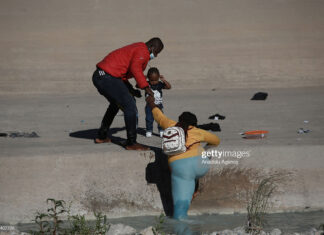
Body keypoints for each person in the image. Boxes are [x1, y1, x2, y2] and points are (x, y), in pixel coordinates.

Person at [146, 96, 220, 220]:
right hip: (201, 165)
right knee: (204, 154)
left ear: (179, 121)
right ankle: (193, 188)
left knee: (180, 212)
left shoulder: (171, 125)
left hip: (181, 168)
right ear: (194, 124)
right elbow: (216, 141)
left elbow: (159, 116)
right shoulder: (198, 131)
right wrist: (205, 148)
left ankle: (182, 227)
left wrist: (152, 104)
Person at [92, 38, 164, 150]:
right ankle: (131, 143)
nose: (156, 55)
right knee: (129, 105)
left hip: (101, 76)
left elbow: (121, 76)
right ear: (152, 47)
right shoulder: (143, 51)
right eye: (156, 52)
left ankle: (102, 136)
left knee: (115, 104)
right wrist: (146, 88)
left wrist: (132, 90)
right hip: (106, 77)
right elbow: (135, 69)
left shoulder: (137, 48)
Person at [145, 67, 171, 138]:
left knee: (160, 118)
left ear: (158, 77)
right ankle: (149, 130)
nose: (153, 82)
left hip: (159, 105)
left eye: (155, 80)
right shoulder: (146, 84)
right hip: (149, 106)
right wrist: (143, 79)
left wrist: (163, 80)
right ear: (148, 78)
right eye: (151, 80)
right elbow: (137, 85)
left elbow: (169, 87)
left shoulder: (159, 84)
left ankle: (161, 130)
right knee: (149, 119)